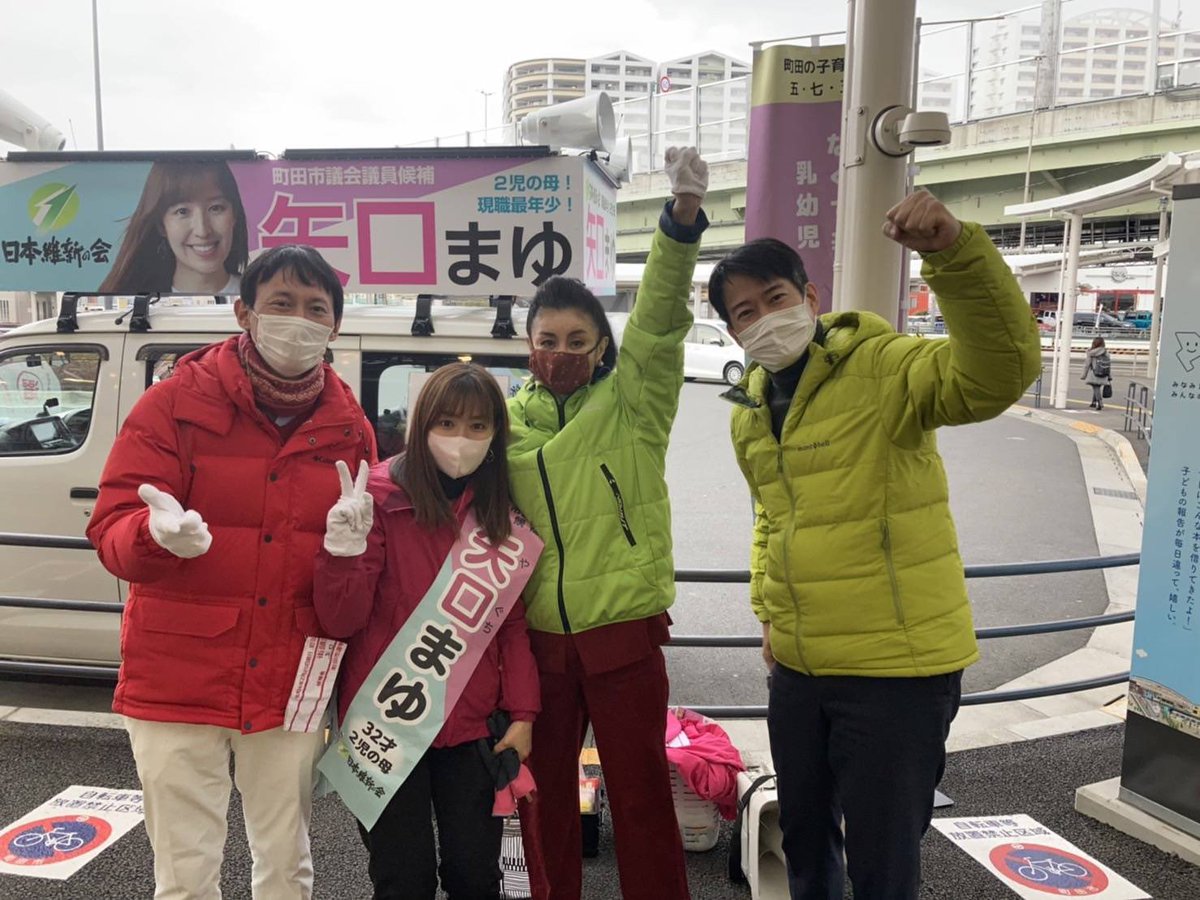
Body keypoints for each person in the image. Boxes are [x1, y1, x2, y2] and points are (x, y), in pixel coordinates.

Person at [708, 191, 1041, 900]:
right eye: (744, 313)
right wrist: (769, 615)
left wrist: (953, 254)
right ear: (733, 333)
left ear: (810, 297)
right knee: (803, 838)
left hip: (896, 671)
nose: (764, 319)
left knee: (882, 858)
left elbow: (997, 375)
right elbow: (772, 519)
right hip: (799, 668)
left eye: (774, 298)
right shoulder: (750, 409)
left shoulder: (886, 366)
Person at [87, 244, 376, 900]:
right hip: (176, 677)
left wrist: (349, 553)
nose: (298, 320)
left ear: (335, 325)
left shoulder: (350, 428)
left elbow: (354, 570)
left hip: (290, 678)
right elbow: (110, 532)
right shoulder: (172, 405)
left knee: (287, 863)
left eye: (316, 308)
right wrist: (152, 536)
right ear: (244, 312)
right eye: (281, 303)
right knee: (185, 873)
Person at [504, 147, 709, 900]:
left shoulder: (633, 406)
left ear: (600, 348)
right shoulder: (502, 422)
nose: (561, 354)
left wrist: (680, 223)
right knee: (543, 801)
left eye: (577, 341)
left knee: (642, 796)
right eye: (547, 341)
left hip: (623, 635)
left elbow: (658, 324)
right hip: (540, 647)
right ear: (529, 346)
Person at [313, 363, 543, 900]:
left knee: (475, 876)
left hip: (473, 726)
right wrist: (341, 554)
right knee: (402, 880)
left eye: (478, 426)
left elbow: (511, 628)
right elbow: (341, 620)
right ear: (421, 426)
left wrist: (524, 714)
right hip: (384, 722)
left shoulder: (499, 513)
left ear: (496, 434)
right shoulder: (374, 496)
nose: (461, 439)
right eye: (447, 423)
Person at [99, 160, 249, 295]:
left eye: (216, 208)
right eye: (182, 211)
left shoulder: (257, 296)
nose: (203, 231)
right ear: (161, 225)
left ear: (234, 214)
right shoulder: (132, 304)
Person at [1083, 336, 1112, 410]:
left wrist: (1084, 375)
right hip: (1104, 372)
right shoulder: (1106, 352)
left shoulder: (1091, 353)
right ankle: (1093, 402)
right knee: (1097, 387)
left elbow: (1087, 364)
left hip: (1094, 372)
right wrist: (1109, 376)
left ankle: (1100, 402)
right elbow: (1109, 365)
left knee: (1096, 387)